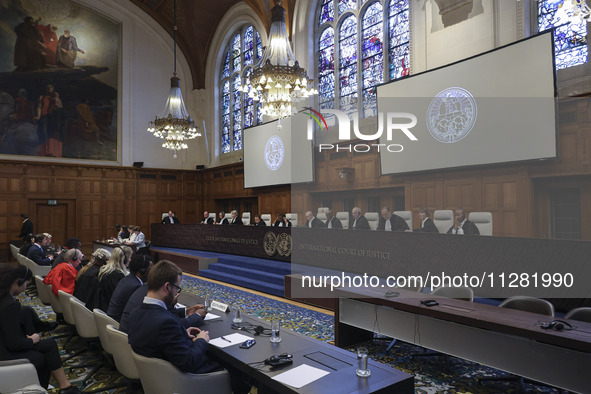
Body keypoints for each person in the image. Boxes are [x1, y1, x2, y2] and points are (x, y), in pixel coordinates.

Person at [127, 260, 250, 393]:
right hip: (186, 382)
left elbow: (157, 342)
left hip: (157, 380)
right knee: (236, 369)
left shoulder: (135, 313)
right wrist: (201, 340)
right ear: (166, 287)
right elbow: (188, 362)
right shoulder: (165, 322)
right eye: (176, 288)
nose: (176, 293)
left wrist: (182, 333)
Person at [0, 264, 81, 393]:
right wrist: (32, 340)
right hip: (5, 354)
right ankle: (44, 388)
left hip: (4, 345)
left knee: (49, 345)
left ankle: (65, 387)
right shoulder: (10, 305)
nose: (25, 288)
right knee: (42, 357)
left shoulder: (5, 300)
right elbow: (13, 344)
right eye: (26, 284)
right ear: (18, 282)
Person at [107, 254, 153, 321]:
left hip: (111, 321)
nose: (152, 274)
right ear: (142, 270)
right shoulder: (136, 286)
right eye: (150, 270)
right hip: (118, 324)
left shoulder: (127, 279)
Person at [96, 247, 128, 312]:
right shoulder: (118, 275)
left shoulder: (103, 269)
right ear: (123, 259)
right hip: (112, 309)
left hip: (102, 306)